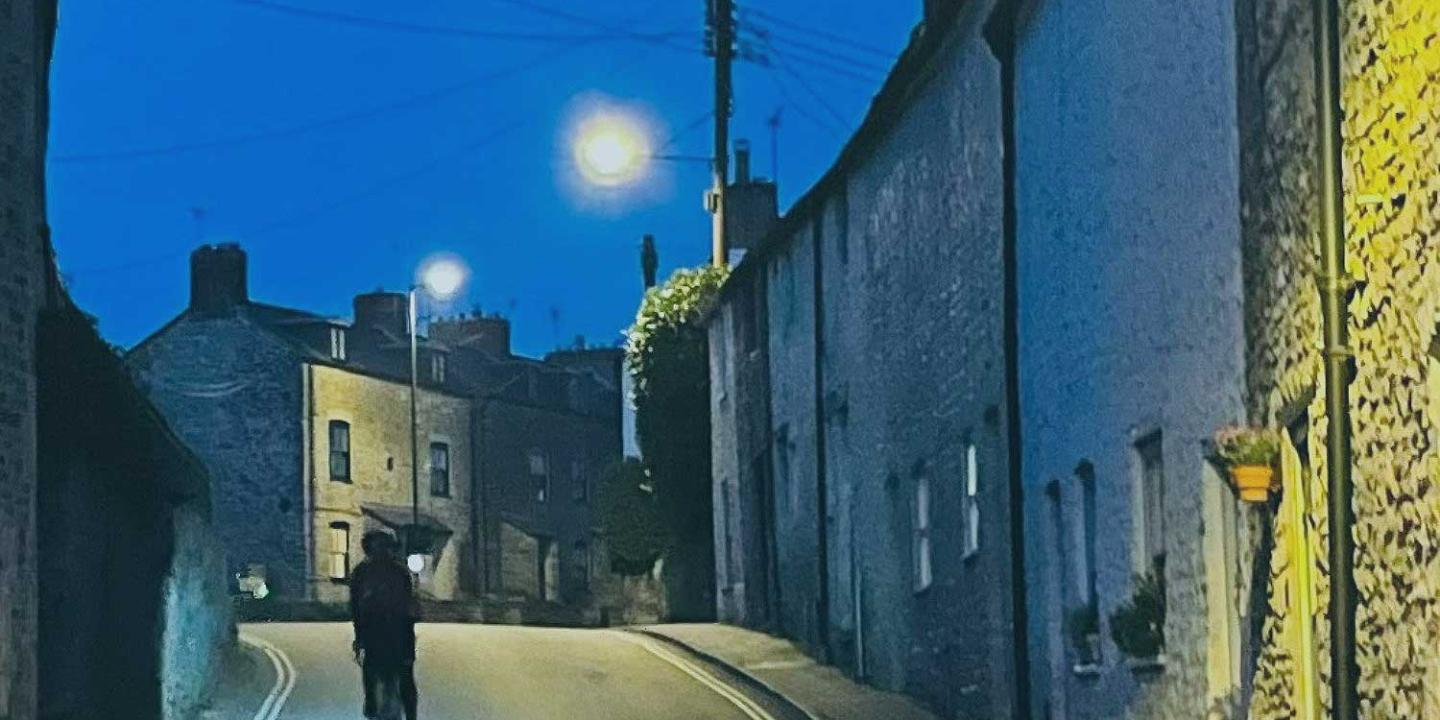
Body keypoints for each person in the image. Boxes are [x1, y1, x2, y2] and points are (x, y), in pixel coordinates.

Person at [350, 530, 419, 720]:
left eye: (384, 547)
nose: (382, 551)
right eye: (378, 547)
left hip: (395, 632)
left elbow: (409, 606)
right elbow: (356, 609)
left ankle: (407, 714)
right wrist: (359, 638)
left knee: (403, 675)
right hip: (379, 632)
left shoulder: (397, 573)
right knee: (376, 672)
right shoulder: (363, 574)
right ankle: (374, 706)